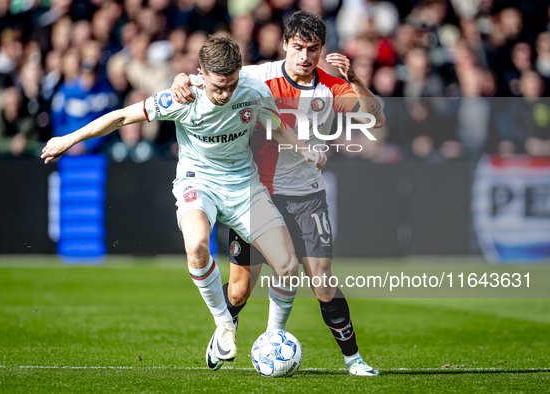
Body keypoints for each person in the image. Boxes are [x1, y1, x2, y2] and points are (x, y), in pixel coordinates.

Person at [41, 36, 325, 365]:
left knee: (289, 267)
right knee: (197, 245)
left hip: (244, 184)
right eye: (219, 87)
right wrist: (69, 138)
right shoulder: (182, 97)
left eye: (231, 85)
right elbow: (120, 117)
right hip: (198, 182)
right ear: (201, 75)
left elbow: (277, 126)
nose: (226, 94)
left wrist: (307, 151)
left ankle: (272, 337)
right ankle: (223, 325)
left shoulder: (252, 89)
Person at [171, 11, 384, 376]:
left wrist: (355, 78)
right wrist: (179, 78)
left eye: (313, 49)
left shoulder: (332, 87)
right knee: (239, 291)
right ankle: (225, 329)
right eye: (298, 47)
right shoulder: (258, 75)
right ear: (285, 44)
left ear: (321, 51)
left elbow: (374, 118)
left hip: (307, 196)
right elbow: (204, 78)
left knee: (322, 282)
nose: (305, 56)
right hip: (258, 195)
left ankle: (353, 359)